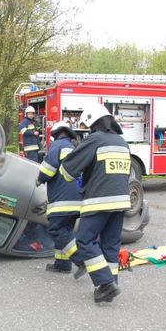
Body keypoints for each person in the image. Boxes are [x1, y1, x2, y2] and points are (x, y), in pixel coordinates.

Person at [59, 104, 131, 303]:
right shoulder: (122, 142)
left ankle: (105, 283)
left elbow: (67, 171)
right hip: (121, 202)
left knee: (84, 240)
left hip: (98, 201)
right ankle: (110, 286)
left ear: (93, 123)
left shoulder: (94, 140)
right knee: (110, 244)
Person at [36, 121, 85, 278]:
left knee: (56, 229)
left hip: (63, 199)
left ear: (56, 134)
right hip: (76, 199)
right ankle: (62, 264)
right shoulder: (73, 148)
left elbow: (47, 170)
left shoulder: (57, 146)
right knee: (65, 230)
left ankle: (80, 259)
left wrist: (39, 179)